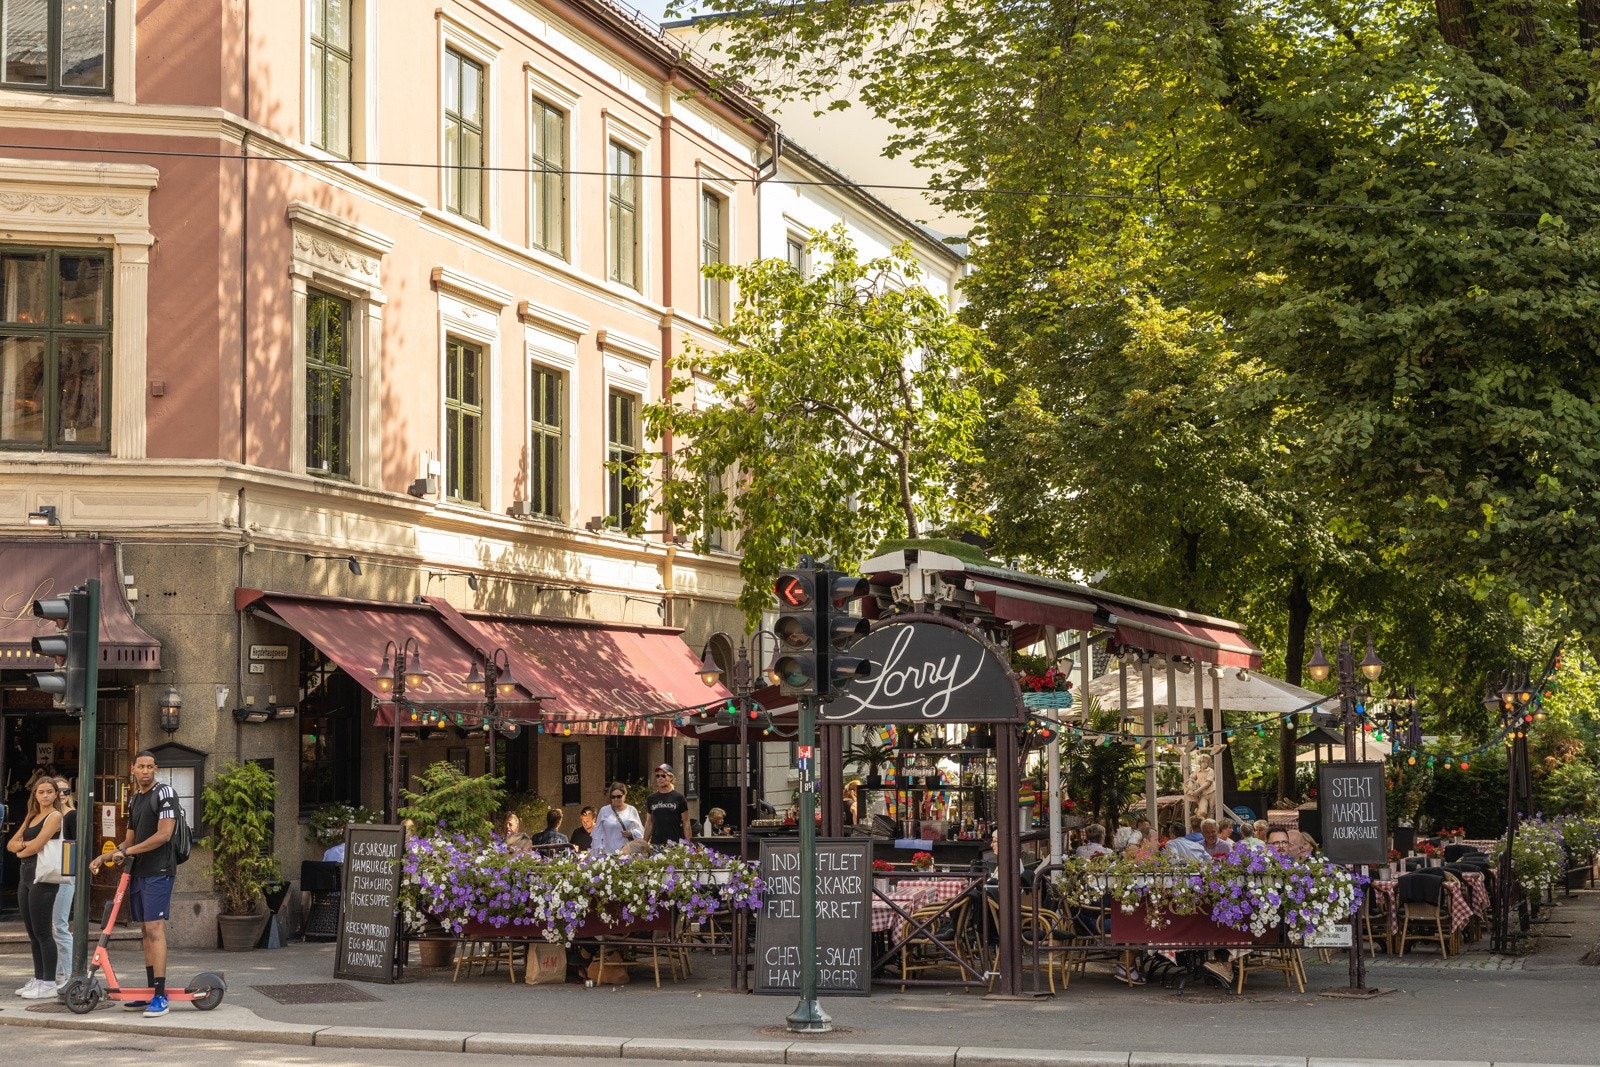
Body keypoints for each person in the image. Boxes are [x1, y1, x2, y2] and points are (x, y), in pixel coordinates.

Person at [89, 750, 178, 1017]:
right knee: (144, 931)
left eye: (150, 767)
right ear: (133, 769)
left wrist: (127, 852)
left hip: (159, 870)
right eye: (141, 767)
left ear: (156, 769)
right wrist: (105, 856)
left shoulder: (165, 793)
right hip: (139, 871)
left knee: (154, 929)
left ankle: (160, 997)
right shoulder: (135, 797)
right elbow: (129, 839)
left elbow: (164, 835)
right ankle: (150, 992)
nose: (146, 771)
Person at [7, 775, 64, 999]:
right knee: (32, 933)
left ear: (56, 794)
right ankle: (39, 978)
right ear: (35, 794)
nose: (45, 795)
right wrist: (23, 847)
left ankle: (50, 981)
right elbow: (11, 843)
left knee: (43, 931)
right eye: (41, 792)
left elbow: (38, 844)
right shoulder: (32, 815)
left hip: (43, 877)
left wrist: (21, 850)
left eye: (50, 791)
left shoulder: (55, 815)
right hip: (26, 876)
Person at [52, 777, 77, 990]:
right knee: (53, 926)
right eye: (57, 790)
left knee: (59, 925)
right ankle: (58, 974)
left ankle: (68, 975)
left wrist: (69, 873)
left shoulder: (71, 816)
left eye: (65, 790)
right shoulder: (50, 816)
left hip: (65, 873)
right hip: (49, 873)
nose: (61, 794)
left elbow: (75, 848)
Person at [642, 764, 691, 848]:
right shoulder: (651, 798)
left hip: (675, 843)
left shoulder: (679, 797)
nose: (660, 778)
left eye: (663, 775)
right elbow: (649, 823)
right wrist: (644, 843)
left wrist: (688, 844)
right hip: (656, 843)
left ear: (671, 778)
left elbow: (686, 822)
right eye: (658, 776)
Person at [590, 783, 643, 855]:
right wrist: (596, 854)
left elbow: (640, 831)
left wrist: (631, 834)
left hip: (627, 853)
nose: (616, 799)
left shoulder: (631, 810)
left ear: (624, 796)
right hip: (609, 854)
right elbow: (597, 833)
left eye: (619, 796)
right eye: (613, 797)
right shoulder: (604, 810)